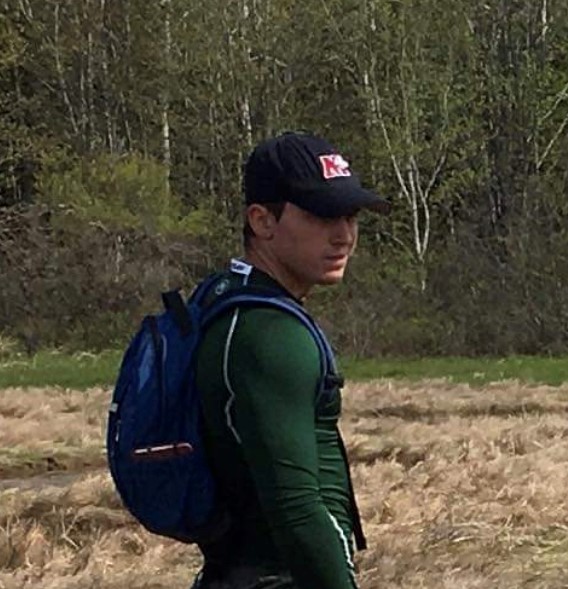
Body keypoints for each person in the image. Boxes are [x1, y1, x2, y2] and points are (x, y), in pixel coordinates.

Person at [191, 131, 391, 589]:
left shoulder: (227, 301)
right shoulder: (271, 336)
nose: (343, 234)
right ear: (262, 221)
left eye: (350, 214)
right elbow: (300, 512)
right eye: (322, 214)